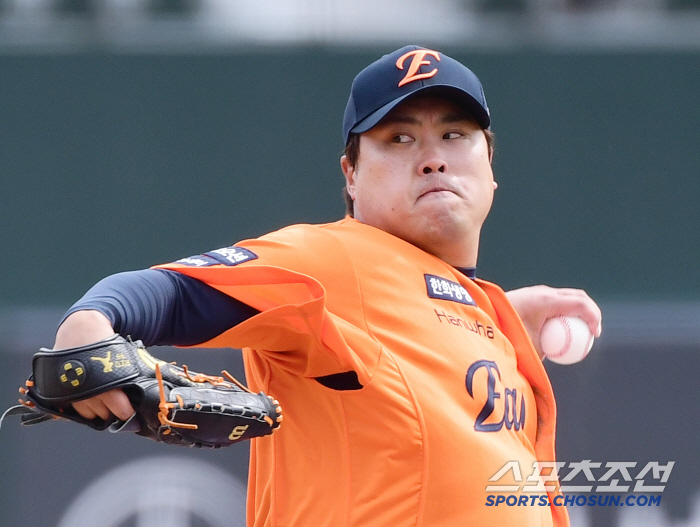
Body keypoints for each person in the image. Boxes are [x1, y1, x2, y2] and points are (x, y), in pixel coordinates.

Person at [52, 45, 601, 526]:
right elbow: (173, 292)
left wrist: (496, 326)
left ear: (490, 166)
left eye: (454, 134)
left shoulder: (486, 317)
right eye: (399, 138)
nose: (433, 159)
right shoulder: (339, 258)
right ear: (352, 175)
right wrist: (89, 322)